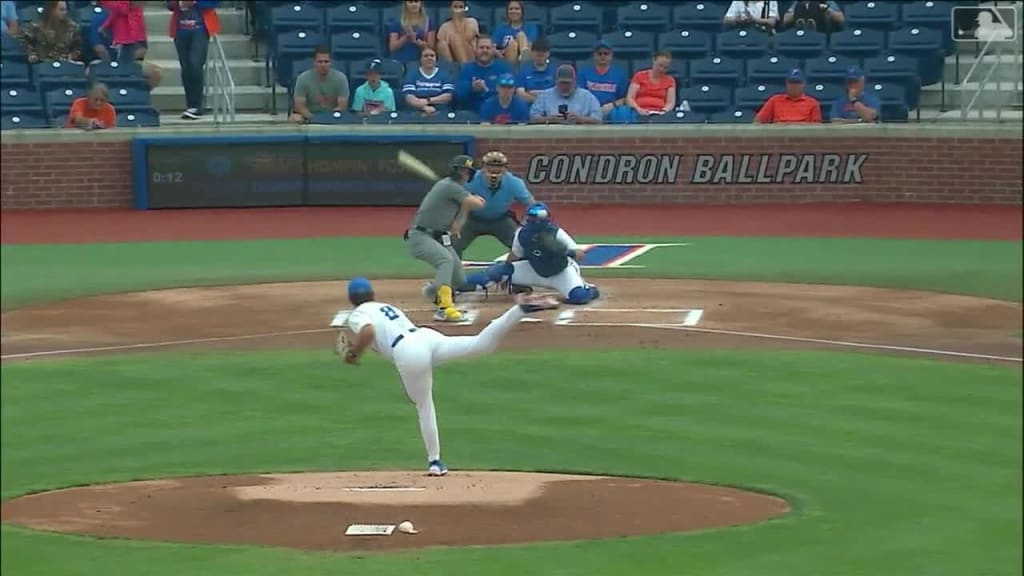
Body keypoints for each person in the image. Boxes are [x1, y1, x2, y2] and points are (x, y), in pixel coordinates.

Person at [337, 277, 559, 476]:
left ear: (351, 299)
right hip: (426, 337)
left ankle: (435, 461)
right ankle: (519, 310)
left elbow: (367, 332)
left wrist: (354, 354)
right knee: (479, 345)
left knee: (423, 404)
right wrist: (356, 352)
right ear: (372, 295)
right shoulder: (384, 306)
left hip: (408, 351)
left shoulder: (357, 314)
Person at [464, 203, 600, 305]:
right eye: (530, 218)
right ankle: (458, 285)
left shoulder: (556, 233)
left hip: (561, 272)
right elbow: (514, 255)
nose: (530, 221)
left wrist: (562, 250)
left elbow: (580, 255)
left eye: (533, 218)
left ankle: (589, 288)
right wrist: (504, 273)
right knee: (496, 272)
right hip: (534, 270)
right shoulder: (522, 234)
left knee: (579, 297)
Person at [404, 155, 487, 323]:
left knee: (459, 279)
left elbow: (463, 214)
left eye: (466, 171)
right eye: (461, 170)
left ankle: (433, 292)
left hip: (439, 237)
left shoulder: (456, 189)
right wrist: (473, 200)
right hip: (421, 236)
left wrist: (465, 209)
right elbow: (478, 204)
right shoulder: (449, 186)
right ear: (454, 170)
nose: (463, 173)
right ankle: (444, 309)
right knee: (445, 260)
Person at [167, 0, 221, 120]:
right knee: (186, 68)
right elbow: (169, 5)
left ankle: (197, 105)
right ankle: (191, 105)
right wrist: (180, 3)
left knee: (195, 65)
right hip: (180, 31)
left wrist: (194, 2)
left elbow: (214, 3)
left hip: (200, 29)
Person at [290, 45, 349, 123]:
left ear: (331, 62)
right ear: (314, 62)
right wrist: (313, 118)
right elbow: (299, 105)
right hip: (310, 115)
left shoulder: (341, 78)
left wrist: (329, 118)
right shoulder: (302, 78)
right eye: (320, 62)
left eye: (326, 61)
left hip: (332, 116)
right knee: (294, 118)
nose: (323, 65)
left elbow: (342, 106)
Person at [528, 64, 603, 125]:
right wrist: (549, 119)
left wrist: (581, 119)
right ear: (556, 81)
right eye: (562, 83)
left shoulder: (587, 96)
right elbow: (533, 117)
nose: (565, 86)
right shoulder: (545, 95)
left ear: (574, 81)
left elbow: (598, 118)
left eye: (567, 83)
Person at [454, 36, 510, 114]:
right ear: (476, 50)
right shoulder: (466, 68)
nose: (484, 50)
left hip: (495, 114)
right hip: (470, 113)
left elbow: (508, 94)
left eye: (488, 48)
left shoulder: (503, 69)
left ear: (493, 50)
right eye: (481, 48)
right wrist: (471, 87)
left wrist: (486, 90)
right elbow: (457, 94)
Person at [576, 40, 630, 122]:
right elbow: (580, 96)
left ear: (611, 55)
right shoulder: (583, 73)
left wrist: (612, 105)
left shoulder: (620, 75)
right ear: (594, 55)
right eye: (599, 53)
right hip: (588, 111)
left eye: (606, 53)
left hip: (610, 110)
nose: (603, 56)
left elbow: (624, 98)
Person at [17, 0, 83, 63]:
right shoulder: (37, 26)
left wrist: (72, 56)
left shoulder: (72, 27)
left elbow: (78, 47)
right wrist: (32, 54)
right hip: (42, 64)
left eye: (65, 9)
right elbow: (25, 41)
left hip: (65, 64)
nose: (65, 12)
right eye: (61, 10)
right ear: (52, 10)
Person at [753, 67, 821, 123]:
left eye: (798, 83)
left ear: (804, 84)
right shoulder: (775, 100)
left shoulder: (813, 103)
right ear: (786, 84)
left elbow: (817, 129)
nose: (794, 86)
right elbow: (758, 121)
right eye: (791, 82)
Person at [401, 46, 454, 115]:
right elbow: (409, 97)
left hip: (440, 111)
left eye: (432, 56)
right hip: (417, 111)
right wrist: (424, 107)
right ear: (420, 59)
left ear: (436, 58)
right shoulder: (412, 74)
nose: (429, 58)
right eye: (426, 56)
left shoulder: (445, 75)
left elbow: (448, 96)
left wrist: (428, 100)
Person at [625, 51, 677, 118]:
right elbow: (630, 98)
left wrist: (664, 111)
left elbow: (670, 102)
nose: (662, 69)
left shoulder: (670, 81)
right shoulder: (639, 76)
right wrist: (639, 110)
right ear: (654, 60)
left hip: (660, 114)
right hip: (639, 112)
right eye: (660, 65)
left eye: (665, 67)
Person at [386, 0, 434, 65]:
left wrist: (419, 43)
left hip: (420, 61)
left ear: (420, 3)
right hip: (400, 60)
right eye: (410, 2)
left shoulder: (427, 22)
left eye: (416, 1)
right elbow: (392, 48)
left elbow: (431, 47)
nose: (414, 4)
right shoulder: (397, 22)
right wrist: (406, 38)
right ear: (406, 4)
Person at [492, 0, 539, 65]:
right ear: (507, 12)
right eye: (510, 9)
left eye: (517, 9)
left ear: (522, 11)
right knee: (513, 45)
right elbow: (493, 47)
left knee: (521, 35)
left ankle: (523, 59)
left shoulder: (530, 27)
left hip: (524, 57)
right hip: (505, 57)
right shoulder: (500, 29)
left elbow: (530, 45)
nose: (513, 11)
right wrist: (499, 54)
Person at [513, 36, 554, 103]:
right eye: (538, 55)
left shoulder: (555, 70)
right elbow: (520, 94)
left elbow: (559, 94)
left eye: (542, 55)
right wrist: (540, 102)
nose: (540, 57)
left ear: (548, 54)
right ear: (532, 53)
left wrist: (531, 93)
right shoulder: (524, 71)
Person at [436, 0, 478, 64]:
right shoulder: (444, 26)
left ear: (465, 9)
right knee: (442, 44)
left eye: (460, 7)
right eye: (455, 7)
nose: (458, 10)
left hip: (470, 53)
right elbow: (441, 46)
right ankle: (452, 69)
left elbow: (467, 38)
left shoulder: (471, 21)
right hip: (451, 57)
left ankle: (464, 67)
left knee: (456, 38)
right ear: (451, 9)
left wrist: (457, 21)